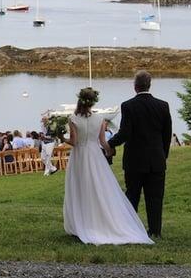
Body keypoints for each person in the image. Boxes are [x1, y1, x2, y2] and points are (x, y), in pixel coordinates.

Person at [63, 87, 154, 245]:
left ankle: (82, 224)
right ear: (93, 102)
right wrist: (109, 151)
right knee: (99, 187)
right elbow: (103, 142)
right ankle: (98, 222)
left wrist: (61, 137)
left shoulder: (73, 119)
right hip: (96, 156)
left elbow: (74, 142)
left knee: (80, 188)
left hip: (80, 157)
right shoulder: (101, 119)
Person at [106, 70, 172, 239]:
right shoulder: (163, 105)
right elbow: (167, 134)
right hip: (156, 160)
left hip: (134, 160)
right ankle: (155, 230)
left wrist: (109, 144)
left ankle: (131, 228)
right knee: (155, 197)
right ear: (149, 85)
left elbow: (125, 133)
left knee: (132, 195)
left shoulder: (128, 106)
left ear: (135, 86)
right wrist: (162, 155)